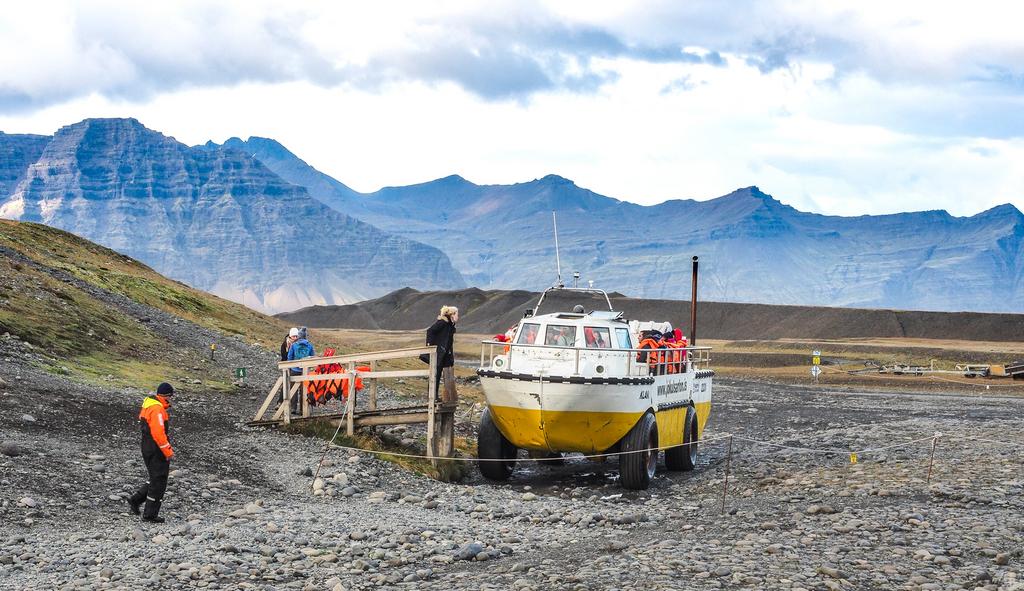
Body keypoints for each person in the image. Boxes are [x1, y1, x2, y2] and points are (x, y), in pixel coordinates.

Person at [128, 383, 175, 523]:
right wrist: (168, 451)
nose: (171, 399)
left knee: (155, 477)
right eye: (170, 396)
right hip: (156, 448)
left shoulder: (149, 405)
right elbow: (158, 433)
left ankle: (136, 500)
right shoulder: (157, 409)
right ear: (167, 396)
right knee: (159, 480)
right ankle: (150, 515)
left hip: (147, 446)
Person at [426, 305, 458, 392]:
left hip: (444, 354)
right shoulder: (442, 323)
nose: (458, 316)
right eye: (457, 314)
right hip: (438, 353)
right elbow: (430, 331)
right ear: (452, 314)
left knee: (440, 374)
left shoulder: (450, 324)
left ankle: (440, 396)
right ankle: (432, 396)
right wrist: (429, 345)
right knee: (435, 374)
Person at [287, 328, 316, 414]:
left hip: (295, 370)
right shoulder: (309, 345)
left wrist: (290, 366)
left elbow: (289, 357)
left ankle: (293, 408)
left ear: (299, 336)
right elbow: (312, 357)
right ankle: (303, 409)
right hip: (305, 371)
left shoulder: (294, 345)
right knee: (304, 390)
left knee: (293, 389)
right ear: (305, 336)